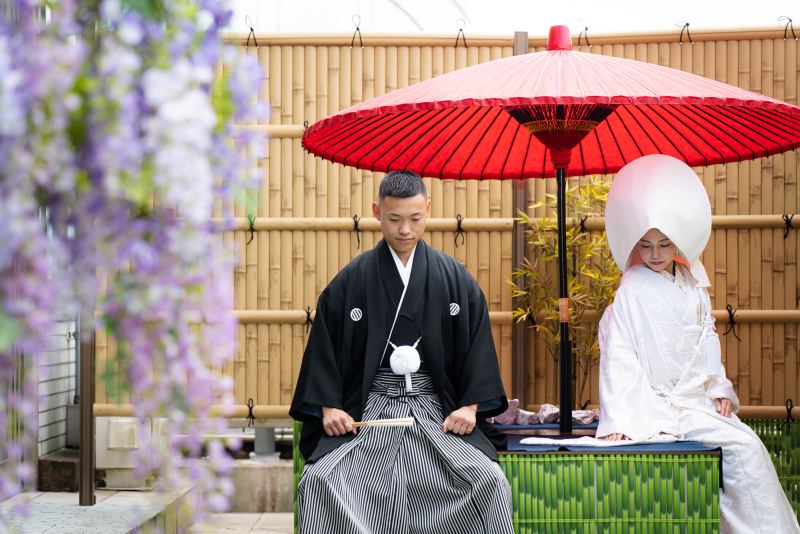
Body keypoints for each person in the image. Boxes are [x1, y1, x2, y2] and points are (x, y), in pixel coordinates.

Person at [290, 170, 514, 534]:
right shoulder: (352, 279)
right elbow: (324, 347)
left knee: (488, 480)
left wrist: (470, 406)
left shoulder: (454, 278)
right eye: (394, 219)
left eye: (415, 218)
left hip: (436, 409)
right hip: (369, 409)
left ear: (428, 209)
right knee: (320, 481)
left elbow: (478, 347)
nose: (405, 229)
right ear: (377, 212)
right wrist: (329, 407)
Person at [597, 154, 800, 533]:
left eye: (663, 244)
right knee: (744, 451)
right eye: (645, 245)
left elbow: (707, 342)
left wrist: (718, 387)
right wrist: (621, 417)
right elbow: (619, 354)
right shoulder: (631, 289)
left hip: (697, 398)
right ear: (634, 245)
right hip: (660, 402)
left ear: (678, 241)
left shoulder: (693, 284)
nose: (655, 254)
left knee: (750, 447)